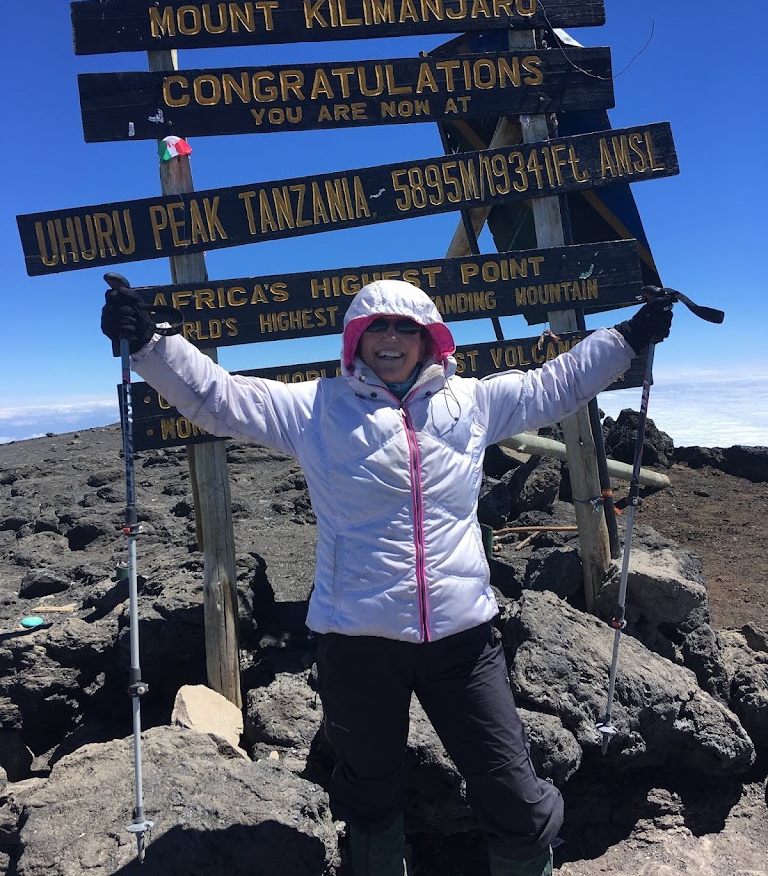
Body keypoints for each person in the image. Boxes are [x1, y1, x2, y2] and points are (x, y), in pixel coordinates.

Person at [101, 279, 672, 876]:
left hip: (463, 641)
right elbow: (219, 399)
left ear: (429, 339)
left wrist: (628, 337)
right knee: (369, 798)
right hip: (358, 644)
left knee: (513, 792)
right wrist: (152, 345)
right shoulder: (316, 408)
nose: (391, 338)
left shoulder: (473, 402)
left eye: (406, 327)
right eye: (376, 326)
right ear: (356, 339)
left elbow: (557, 384)